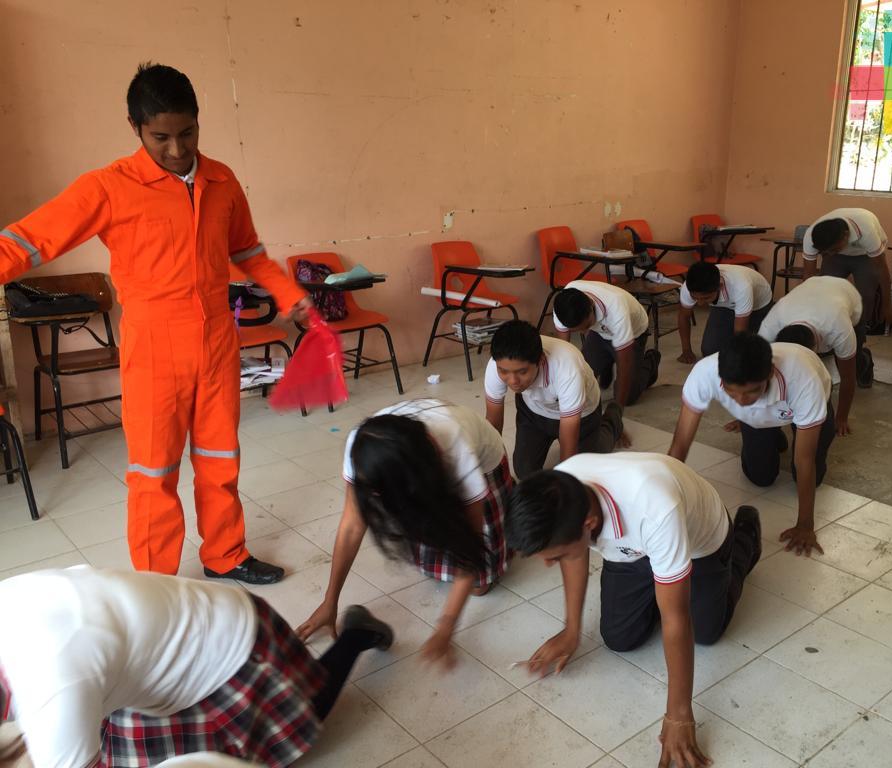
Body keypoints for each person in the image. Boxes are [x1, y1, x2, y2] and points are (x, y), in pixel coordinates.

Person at [0, 64, 312, 583]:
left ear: (198, 122)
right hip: (153, 349)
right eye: (160, 137)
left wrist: (289, 294)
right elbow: (29, 240)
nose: (175, 149)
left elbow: (249, 252)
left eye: (186, 133)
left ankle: (226, 555)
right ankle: (155, 583)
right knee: (153, 473)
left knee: (220, 459)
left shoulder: (221, 181)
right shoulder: (108, 187)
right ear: (135, 127)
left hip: (216, 341)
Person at [506, 454, 761, 768]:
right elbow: (573, 553)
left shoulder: (655, 507)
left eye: (554, 556)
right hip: (636, 549)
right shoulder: (560, 487)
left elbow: (675, 617)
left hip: (700, 542)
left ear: (588, 524)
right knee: (619, 638)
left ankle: (745, 534)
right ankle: (664, 579)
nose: (547, 564)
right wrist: (571, 630)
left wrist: (679, 714)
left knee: (707, 631)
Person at [0, 566, 392, 768]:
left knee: (307, 715)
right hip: (160, 645)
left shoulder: (48, 680)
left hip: (234, 644)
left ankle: (356, 636)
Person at [296, 399, 512, 669]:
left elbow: (471, 547)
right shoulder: (361, 448)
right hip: (423, 470)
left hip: (486, 462)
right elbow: (352, 526)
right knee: (434, 550)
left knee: (480, 586)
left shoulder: (460, 451)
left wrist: (446, 627)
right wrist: (330, 601)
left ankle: (510, 513)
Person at [668, 333, 835, 556]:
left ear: (769, 374)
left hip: (808, 406)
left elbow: (804, 459)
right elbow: (680, 445)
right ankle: (772, 435)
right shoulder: (704, 373)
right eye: (731, 391)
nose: (741, 400)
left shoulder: (804, 379)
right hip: (760, 418)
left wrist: (805, 525)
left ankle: (776, 431)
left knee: (809, 476)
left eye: (751, 391)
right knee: (760, 477)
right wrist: (665, 500)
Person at [484, 320, 624, 478]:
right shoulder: (497, 364)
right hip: (534, 412)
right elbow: (493, 424)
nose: (512, 381)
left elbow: (569, 431)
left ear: (541, 360)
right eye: (503, 372)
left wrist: (564, 481)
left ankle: (613, 418)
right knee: (524, 471)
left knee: (583, 468)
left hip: (583, 415)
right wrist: (491, 473)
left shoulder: (567, 368)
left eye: (522, 372)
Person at [758, 276, 872, 435]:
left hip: (846, 294)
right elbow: (752, 370)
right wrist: (744, 413)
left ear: (815, 349)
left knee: (852, 363)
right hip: (812, 292)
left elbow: (847, 378)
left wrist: (841, 418)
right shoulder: (770, 327)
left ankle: (864, 358)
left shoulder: (840, 329)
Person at [552, 282, 661, 406]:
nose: (583, 332)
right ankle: (607, 359)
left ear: (591, 305)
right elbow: (563, 350)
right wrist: (560, 389)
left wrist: (616, 410)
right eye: (576, 330)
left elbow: (624, 364)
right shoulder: (564, 305)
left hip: (634, 333)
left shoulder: (616, 308)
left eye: (586, 326)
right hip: (599, 332)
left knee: (628, 397)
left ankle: (651, 360)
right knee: (582, 379)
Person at [801, 207, 892, 328]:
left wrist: (887, 305)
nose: (829, 253)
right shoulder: (811, 236)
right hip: (837, 256)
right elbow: (809, 276)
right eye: (825, 252)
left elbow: (881, 269)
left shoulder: (867, 232)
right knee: (825, 291)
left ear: (845, 236)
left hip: (865, 255)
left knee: (865, 296)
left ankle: (858, 334)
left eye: (833, 249)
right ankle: (829, 329)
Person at [677, 261, 773, 363]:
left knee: (755, 352)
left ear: (720, 286)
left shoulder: (741, 287)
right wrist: (686, 350)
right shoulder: (689, 287)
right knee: (710, 351)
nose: (700, 303)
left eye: (705, 298)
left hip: (758, 305)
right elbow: (684, 316)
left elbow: (739, 332)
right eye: (695, 297)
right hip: (724, 305)